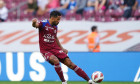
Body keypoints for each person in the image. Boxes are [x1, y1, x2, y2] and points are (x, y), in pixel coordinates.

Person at [32, 11, 95, 84]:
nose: (59, 21)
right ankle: (64, 82)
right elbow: (35, 25)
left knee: (70, 64)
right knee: (55, 60)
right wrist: (33, 22)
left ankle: (89, 81)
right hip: (45, 50)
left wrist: (62, 48)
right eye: (58, 19)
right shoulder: (43, 23)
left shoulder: (55, 26)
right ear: (52, 18)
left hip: (55, 48)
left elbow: (55, 37)